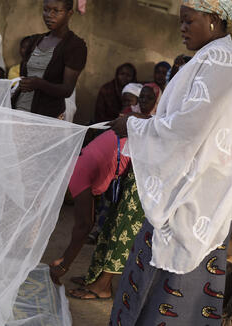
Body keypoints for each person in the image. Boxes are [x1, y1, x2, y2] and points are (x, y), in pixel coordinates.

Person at [108, 0, 232, 324]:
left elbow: (188, 129)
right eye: (180, 22)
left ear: (214, 19)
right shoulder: (218, 58)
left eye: (189, 21)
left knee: (172, 291)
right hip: (193, 196)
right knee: (162, 285)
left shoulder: (220, 64)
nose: (182, 28)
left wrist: (134, 125)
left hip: (194, 201)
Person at [67, 86, 160, 300]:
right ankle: (94, 277)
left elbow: (158, 130)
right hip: (131, 179)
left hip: (146, 182)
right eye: (142, 97)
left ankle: (103, 286)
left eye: (150, 97)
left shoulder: (157, 120)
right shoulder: (137, 118)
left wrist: (134, 121)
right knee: (109, 228)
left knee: (122, 232)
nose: (144, 100)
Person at [50, 129, 131, 285]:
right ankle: (97, 278)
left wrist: (64, 265)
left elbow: (84, 225)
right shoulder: (78, 162)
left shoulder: (75, 175)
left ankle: (102, 285)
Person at [12, 0, 87, 119]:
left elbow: (67, 90)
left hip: (45, 116)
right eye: (46, 10)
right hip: (19, 110)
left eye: (56, 11)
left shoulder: (75, 46)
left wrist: (39, 83)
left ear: (69, 13)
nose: (49, 15)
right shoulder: (35, 40)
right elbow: (24, 75)